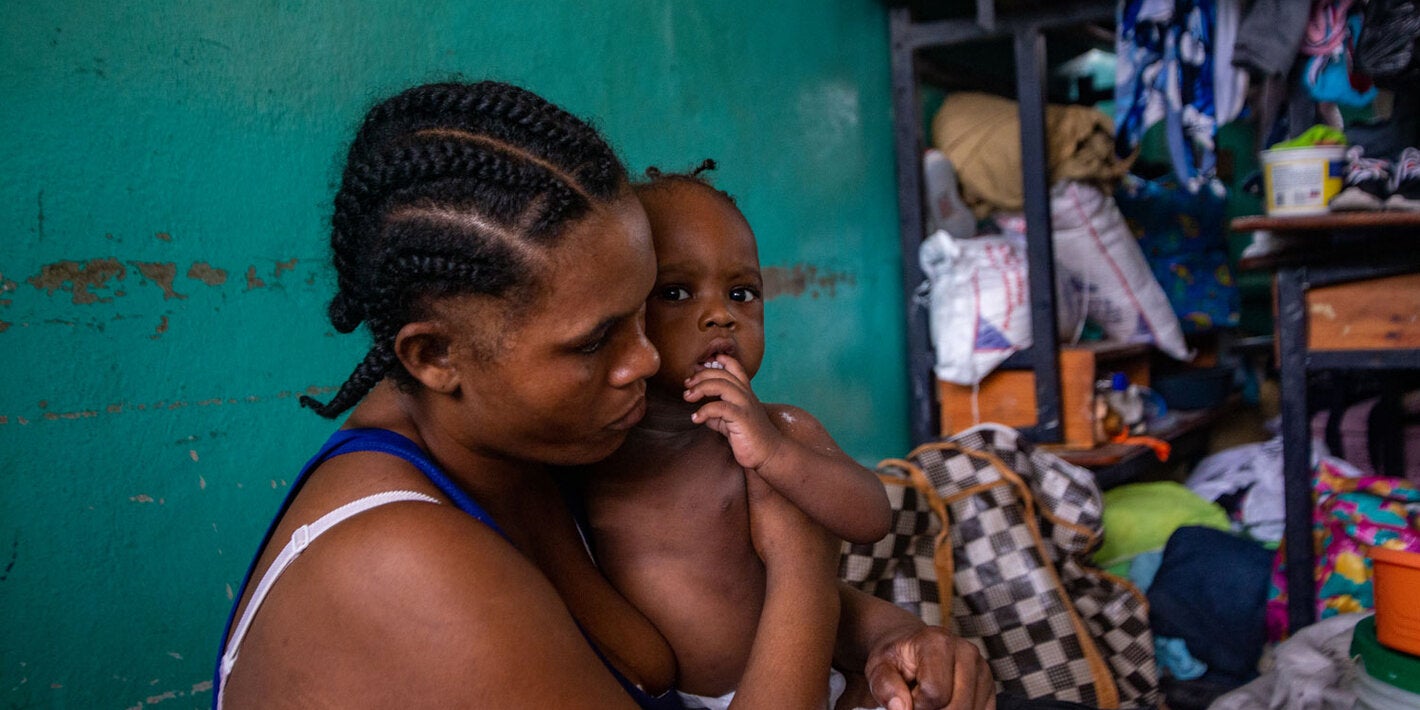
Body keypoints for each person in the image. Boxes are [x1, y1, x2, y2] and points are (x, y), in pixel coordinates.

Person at [213, 80, 994, 710]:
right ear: (435, 355)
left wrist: (889, 639)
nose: (648, 358)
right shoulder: (410, 569)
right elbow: (781, 568)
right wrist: (802, 562)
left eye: (645, 309)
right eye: (596, 341)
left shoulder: (531, 438)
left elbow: (719, 591)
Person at [574, 161, 902, 709]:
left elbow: (872, 517)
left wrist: (776, 455)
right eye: (676, 293)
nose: (720, 316)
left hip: (808, 678)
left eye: (742, 293)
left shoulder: (780, 428)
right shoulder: (588, 456)